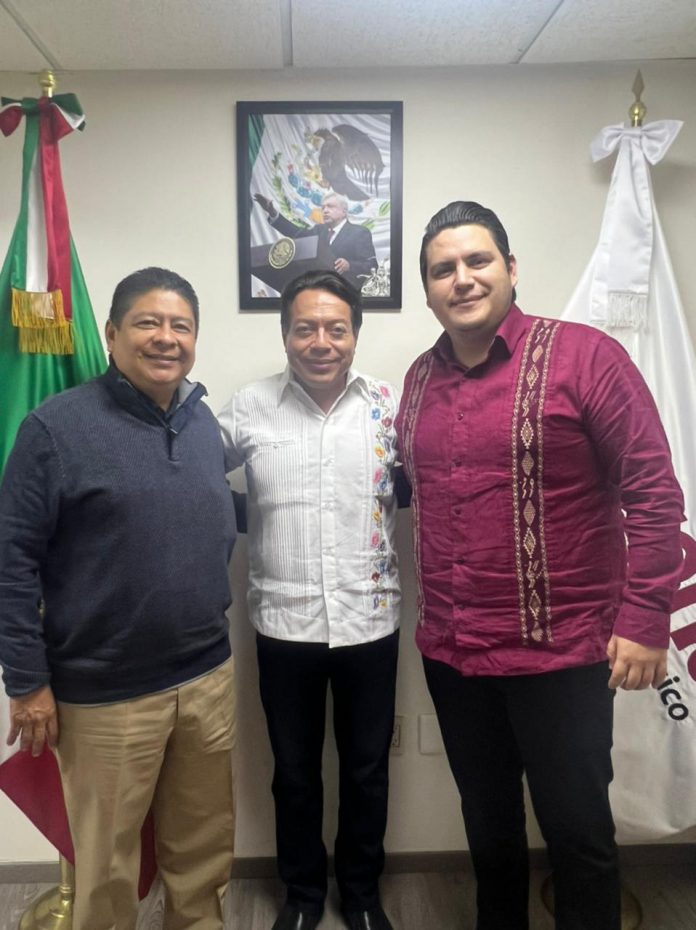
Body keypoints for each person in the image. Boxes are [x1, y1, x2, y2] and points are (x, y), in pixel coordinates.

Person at [395, 201, 685, 930]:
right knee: (487, 828)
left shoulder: (586, 357)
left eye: (478, 260)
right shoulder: (418, 380)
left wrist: (645, 619)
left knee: (578, 834)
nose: (462, 279)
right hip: (455, 653)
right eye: (442, 269)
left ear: (511, 268)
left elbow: (654, 492)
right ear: (427, 291)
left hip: (562, 654)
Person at [0, 267, 237, 930]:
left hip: (206, 679)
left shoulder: (200, 420)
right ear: (110, 333)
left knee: (203, 851)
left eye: (181, 326)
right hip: (105, 696)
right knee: (106, 869)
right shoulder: (55, 429)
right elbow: (11, 561)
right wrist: (27, 681)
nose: (166, 337)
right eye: (147, 322)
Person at [218, 269, 399, 930]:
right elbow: (189, 477)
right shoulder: (248, 407)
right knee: (293, 773)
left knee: (367, 771)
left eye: (336, 328)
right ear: (285, 333)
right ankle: (300, 894)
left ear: (355, 333)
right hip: (283, 624)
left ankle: (362, 894)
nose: (321, 342)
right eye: (305, 328)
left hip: (370, 621)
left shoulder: (388, 406)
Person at [254, 191, 378, 290]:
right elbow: (296, 233)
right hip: (316, 291)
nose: (325, 211)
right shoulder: (319, 230)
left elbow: (372, 266)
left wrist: (349, 265)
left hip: (345, 292)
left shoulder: (359, 232)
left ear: (344, 211)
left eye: (330, 206)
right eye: (323, 208)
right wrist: (273, 213)